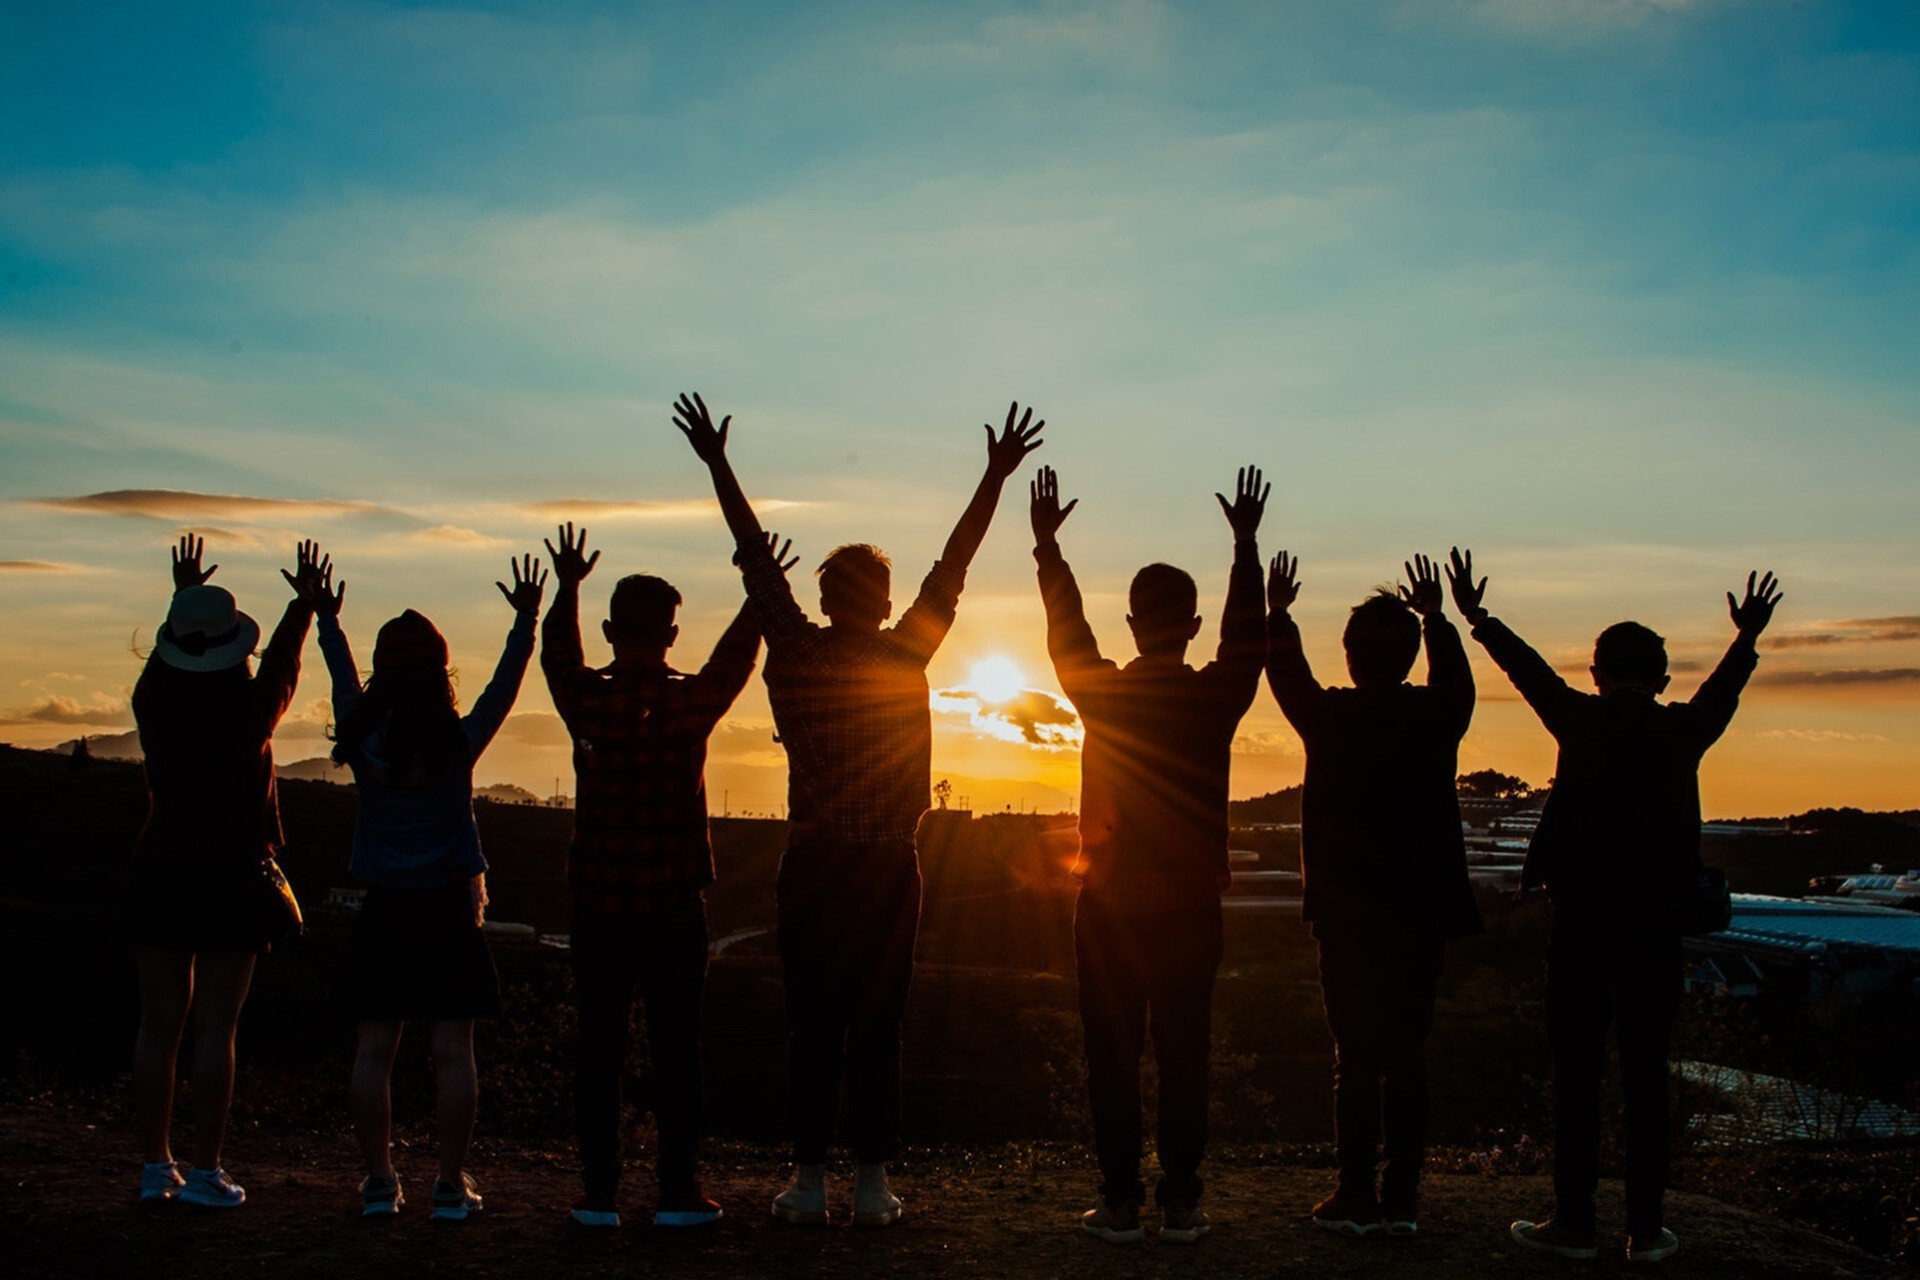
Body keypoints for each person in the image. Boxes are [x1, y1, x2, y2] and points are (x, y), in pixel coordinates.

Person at [674, 392, 1044, 1227]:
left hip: (812, 864)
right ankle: (872, 1183)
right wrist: (993, 475)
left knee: (812, 1023)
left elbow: (752, 557)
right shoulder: (905, 651)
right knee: (880, 1024)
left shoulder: (796, 650)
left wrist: (717, 464)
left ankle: (807, 1181)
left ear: (826, 594)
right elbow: (955, 564)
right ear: (880, 600)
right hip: (885, 869)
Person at [1448, 550, 1783, 1265]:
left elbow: (1528, 671)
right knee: (1646, 1075)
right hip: (1656, 927)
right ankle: (1646, 1228)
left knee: (1576, 1074)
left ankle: (1572, 1222)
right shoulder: (1681, 731)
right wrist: (1746, 637)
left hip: (1581, 924)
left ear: (1595, 673)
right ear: (1662, 678)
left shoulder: (1581, 721)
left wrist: (1479, 618)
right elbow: (1723, 690)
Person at [1030, 463, 1267, 1245]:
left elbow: (1069, 634)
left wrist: (1048, 552)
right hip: (1193, 906)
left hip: (1108, 906)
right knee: (1184, 1055)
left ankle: (1122, 1202)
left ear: (1131, 624)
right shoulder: (1215, 697)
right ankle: (1183, 1203)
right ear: (1191, 624)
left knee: (1113, 1058)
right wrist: (1245, 547)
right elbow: (1248, 642)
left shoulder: (1103, 693)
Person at [541, 522, 794, 1230]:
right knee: (678, 1053)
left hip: (596, 904)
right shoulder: (687, 706)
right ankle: (678, 1192)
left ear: (611, 628)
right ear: (672, 634)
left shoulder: (586, 700)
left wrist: (565, 586)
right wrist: (758, 590)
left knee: (599, 1050)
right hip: (674, 907)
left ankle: (598, 1194)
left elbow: (557, 655)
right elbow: (736, 659)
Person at [315, 552, 546, 1221]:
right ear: (441, 672)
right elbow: (504, 686)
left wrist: (328, 619)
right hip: (449, 909)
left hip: (384, 907)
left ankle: (380, 1184)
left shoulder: (364, 741)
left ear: (385, 673)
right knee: (453, 1051)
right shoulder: (457, 742)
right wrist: (525, 621)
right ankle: (450, 1184)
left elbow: (342, 678)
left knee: (375, 1049)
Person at [1264, 552, 1480, 1238]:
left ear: (1351, 656)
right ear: (1411, 656)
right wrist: (1439, 619)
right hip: (1420, 914)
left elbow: (1285, 675)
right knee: (1407, 1056)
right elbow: (1458, 683)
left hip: (1348, 916)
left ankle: (1354, 1195)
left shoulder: (1330, 719)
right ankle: (1403, 1199)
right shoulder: (1436, 716)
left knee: (1353, 1059)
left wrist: (1277, 614)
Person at [124, 535, 326, 1208]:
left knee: (158, 1027)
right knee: (215, 1029)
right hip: (233, 875)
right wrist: (303, 604)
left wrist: (183, 598)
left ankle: (156, 1168)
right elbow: (286, 669)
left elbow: (173, 658)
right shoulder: (249, 712)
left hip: (161, 868)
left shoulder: (152, 701)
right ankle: (207, 1170)